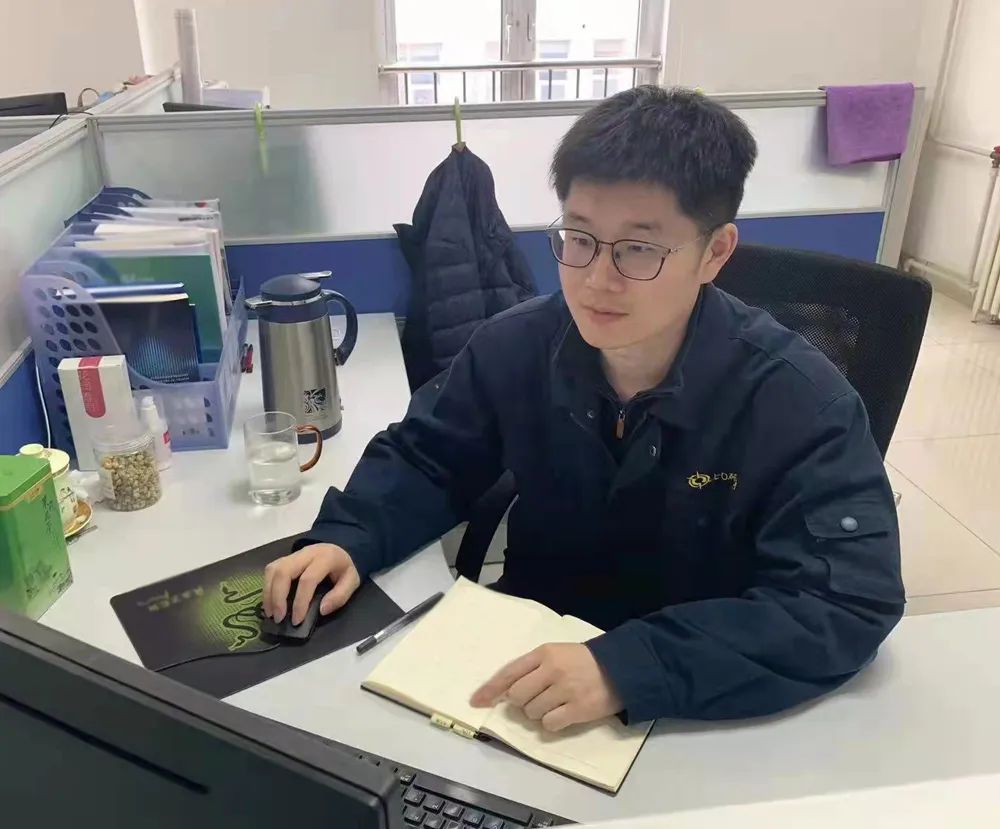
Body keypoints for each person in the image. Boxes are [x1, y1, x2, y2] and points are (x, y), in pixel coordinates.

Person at [262, 86, 904, 732]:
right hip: (527, 671)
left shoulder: (800, 402)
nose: (596, 279)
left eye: (638, 249)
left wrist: (627, 668)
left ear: (715, 252)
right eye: (579, 238)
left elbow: (844, 602)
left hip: (697, 700)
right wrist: (351, 535)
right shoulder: (516, 346)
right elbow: (430, 455)